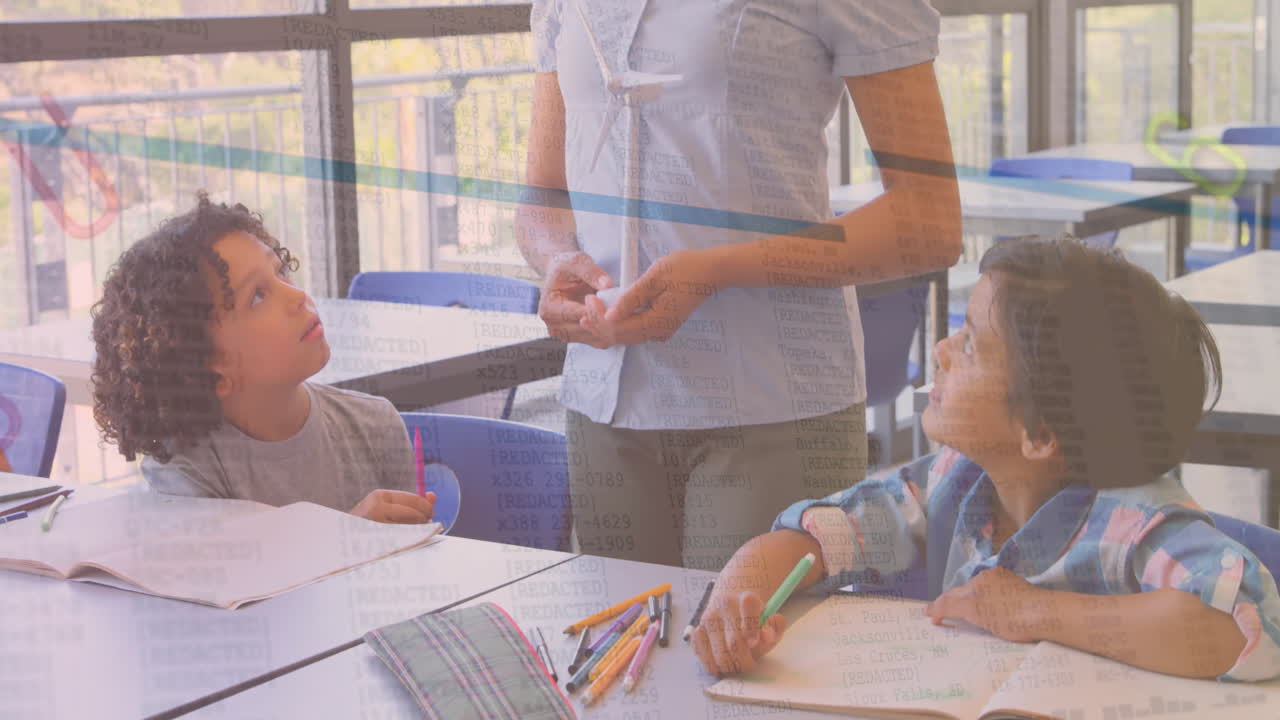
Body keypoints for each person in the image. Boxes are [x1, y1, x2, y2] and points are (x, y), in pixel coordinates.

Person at [691, 235, 1280, 682]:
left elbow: (1245, 621)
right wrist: (734, 602)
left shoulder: (1132, 523)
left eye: (970, 343)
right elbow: (815, 539)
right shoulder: (955, 484)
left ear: (1040, 434)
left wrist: (1032, 612)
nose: (941, 350)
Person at [516, 0, 962, 570]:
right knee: (621, 630)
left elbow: (929, 220)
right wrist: (555, 257)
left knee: (749, 630)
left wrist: (718, 270)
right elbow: (544, 192)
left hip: (772, 399)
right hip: (603, 404)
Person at [92, 192, 436, 524]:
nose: (297, 296)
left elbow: (414, 556)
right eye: (257, 297)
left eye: (281, 271)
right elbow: (221, 564)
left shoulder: (376, 425)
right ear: (207, 365)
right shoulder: (185, 473)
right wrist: (347, 535)